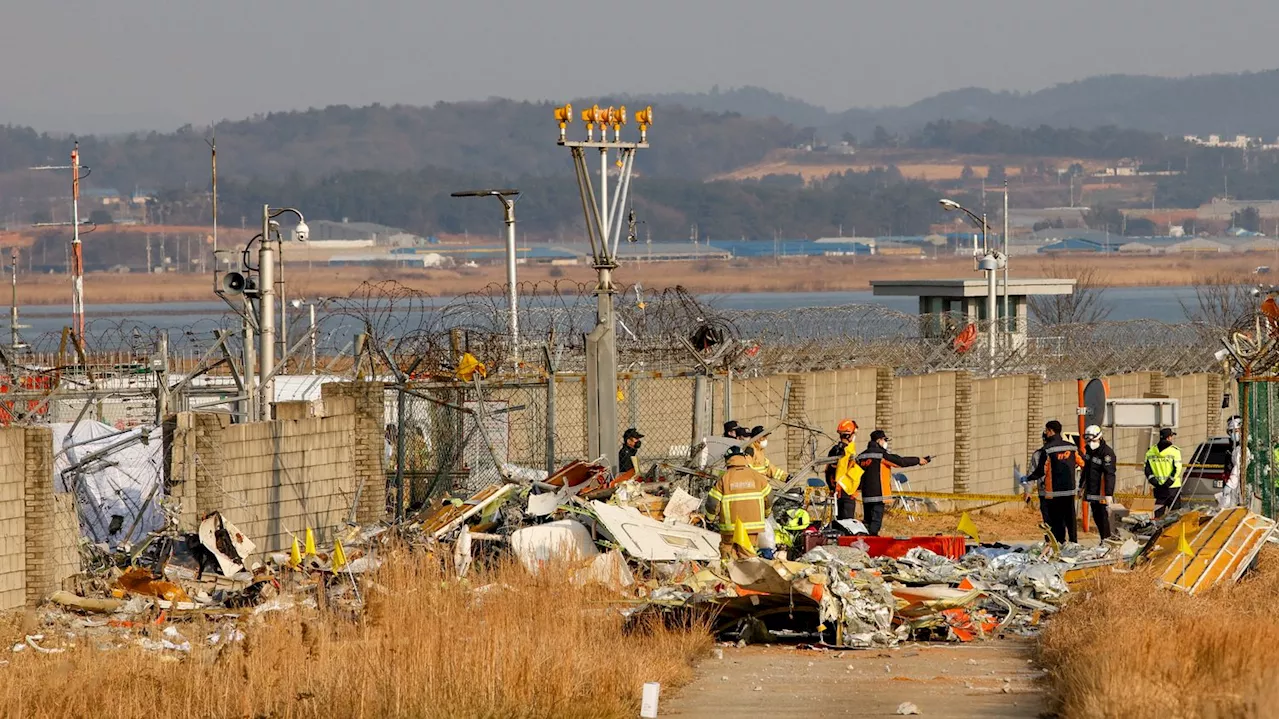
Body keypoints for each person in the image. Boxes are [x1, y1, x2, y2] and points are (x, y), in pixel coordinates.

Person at [854, 430, 930, 536]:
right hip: (879, 494)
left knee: (867, 522)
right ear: (879, 440)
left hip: (866, 495)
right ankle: (872, 543)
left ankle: (864, 542)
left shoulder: (862, 456)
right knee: (875, 525)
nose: (886, 443)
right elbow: (900, 462)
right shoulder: (881, 455)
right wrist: (917, 460)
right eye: (885, 440)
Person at [705, 446, 774, 558]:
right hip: (753, 526)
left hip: (730, 528)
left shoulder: (724, 478)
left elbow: (712, 502)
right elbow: (769, 497)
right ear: (744, 458)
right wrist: (766, 513)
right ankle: (748, 574)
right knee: (748, 554)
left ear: (727, 460)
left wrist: (710, 519)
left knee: (728, 555)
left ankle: (727, 574)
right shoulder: (757, 476)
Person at [1027, 420, 1083, 544]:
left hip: (1052, 492)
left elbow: (1041, 471)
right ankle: (1073, 543)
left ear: (1050, 431)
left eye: (1046, 431)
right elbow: (1084, 463)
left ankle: (1056, 543)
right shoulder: (1072, 447)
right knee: (1070, 518)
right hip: (1069, 490)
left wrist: (1028, 479)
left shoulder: (1046, 450)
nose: (1045, 433)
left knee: (1054, 520)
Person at [1080, 425, 1117, 541]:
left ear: (1099, 437)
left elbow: (1109, 474)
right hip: (1092, 491)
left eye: (1093, 440)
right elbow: (1085, 470)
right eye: (1088, 440)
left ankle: (1107, 540)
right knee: (1096, 517)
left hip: (1102, 493)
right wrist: (1081, 486)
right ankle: (1103, 540)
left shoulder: (1107, 453)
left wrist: (1108, 493)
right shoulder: (1089, 451)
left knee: (1104, 519)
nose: (1091, 442)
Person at [1145, 427, 1183, 519]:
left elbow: (1147, 469)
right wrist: (1169, 481)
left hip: (1158, 488)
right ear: (1169, 438)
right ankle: (1174, 533)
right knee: (1175, 516)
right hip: (1172, 487)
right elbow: (1177, 468)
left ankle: (1158, 532)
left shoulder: (1151, 451)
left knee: (1158, 516)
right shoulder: (1174, 451)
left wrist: (1154, 481)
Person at [826, 419, 858, 519]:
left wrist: (832, 488)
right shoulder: (847, 451)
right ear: (849, 435)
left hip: (837, 491)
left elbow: (828, 471)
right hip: (846, 492)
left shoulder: (834, 450)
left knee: (839, 522)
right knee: (847, 523)